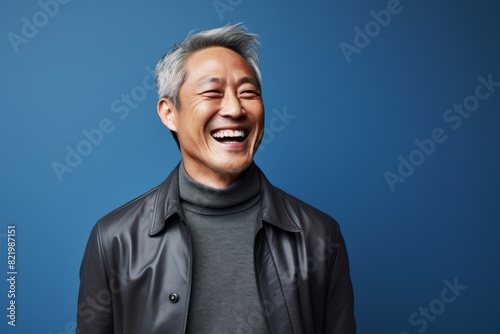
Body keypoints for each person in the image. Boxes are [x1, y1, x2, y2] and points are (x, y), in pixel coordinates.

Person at [77, 23, 355, 334]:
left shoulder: (319, 236)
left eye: (248, 92)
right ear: (169, 113)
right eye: (212, 92)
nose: (235, 108)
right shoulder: (114, 238)